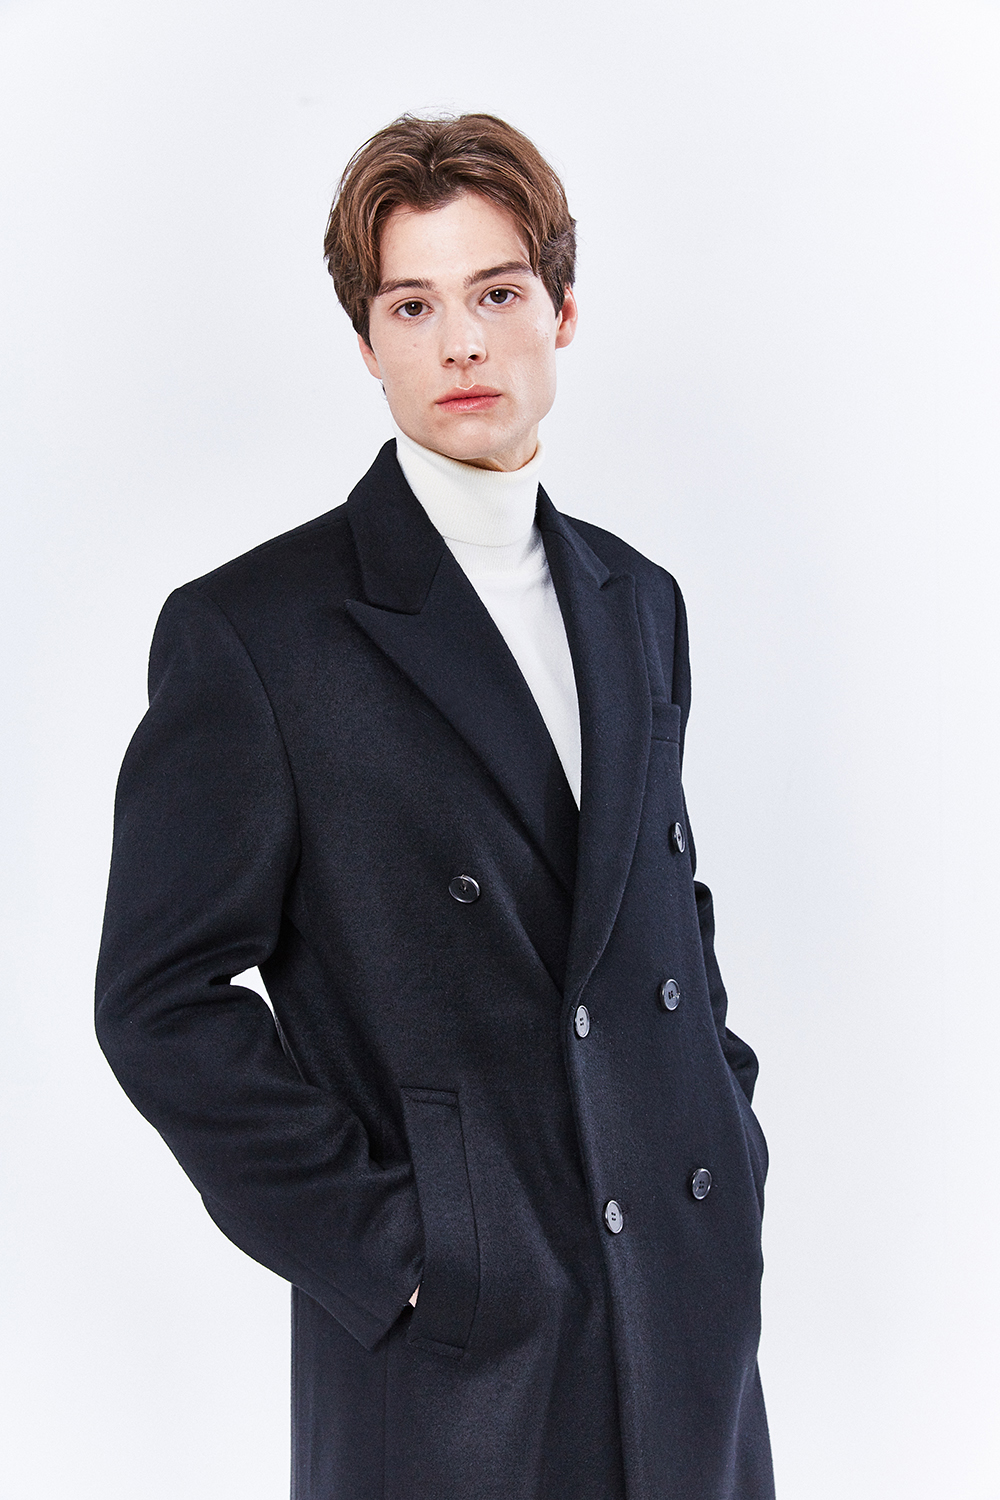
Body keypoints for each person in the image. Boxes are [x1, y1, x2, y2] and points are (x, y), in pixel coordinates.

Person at [96, 112, 774, 1500]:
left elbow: (658, 910)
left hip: (681, 1301)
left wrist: (726, 1131)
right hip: (463, 1341)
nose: (461, 343)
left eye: (497, 293)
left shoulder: (637, 602)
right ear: (367, 341)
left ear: (562, 312)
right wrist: (392, 1249)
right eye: (413, 305)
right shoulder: (260, 635)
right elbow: (158, 999)